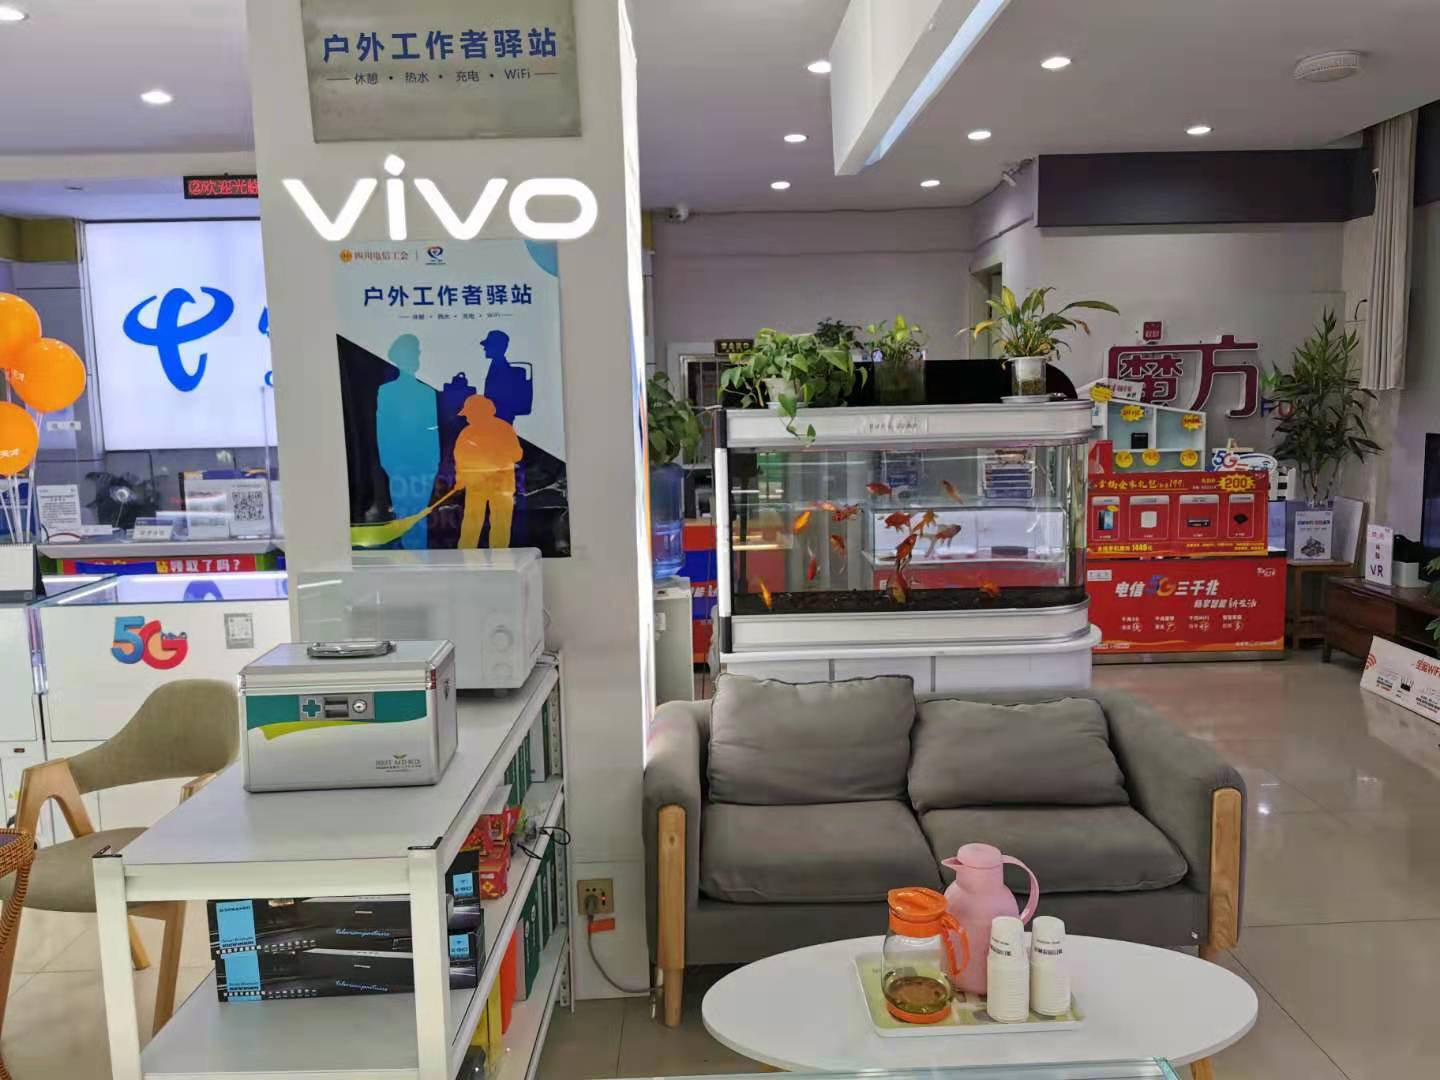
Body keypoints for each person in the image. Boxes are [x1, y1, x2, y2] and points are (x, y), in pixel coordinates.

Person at [376, 334, 440, 549]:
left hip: (423, 464)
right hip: (400, 464)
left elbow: (433, 430)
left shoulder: (427, 392)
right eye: (412, 352)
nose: (416, 356)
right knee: (405, 512)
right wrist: (389, 463)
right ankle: (411, 556)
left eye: (416, 352)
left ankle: (418, 555)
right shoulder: (387, 392)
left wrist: (434, 461)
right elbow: (383, 429)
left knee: (420, 512)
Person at [454, 395, 523, 549]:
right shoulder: (466, 433)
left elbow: (517, 454)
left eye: (470, 414)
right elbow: (460, 459)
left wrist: (493, 465)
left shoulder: (504, 429)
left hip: (501, 487)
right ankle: (465, 556)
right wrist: (460, 479)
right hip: (475, 486)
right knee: (471, 523)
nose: (467, 419)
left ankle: (500, 559)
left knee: (500, 525)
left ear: (481, 413)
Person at [480, 330, 531, 425]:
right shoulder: (497, 365)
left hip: (499, 419)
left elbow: (498, 397)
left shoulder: (501, 368)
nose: (485, 348)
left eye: (488, 345)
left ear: (497, 347)